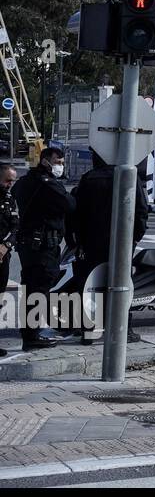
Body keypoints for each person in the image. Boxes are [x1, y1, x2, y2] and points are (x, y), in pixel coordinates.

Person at [71, 153, 148, 342]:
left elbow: (77, 212)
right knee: (121, 284)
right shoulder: (129, 175)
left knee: (91, 285)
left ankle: (89, 330)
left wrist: (79, 241)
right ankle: (123, 329)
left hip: (92, 240)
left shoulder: (88, 178)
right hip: (122, 241)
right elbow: (141, 211)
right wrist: (136, 237)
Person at [11, 147, 74, 350]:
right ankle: (32, 335)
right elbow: (69, 204)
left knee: (31, 287)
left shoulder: (24, 182)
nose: (60, 166)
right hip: (43, 246)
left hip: (28, 244)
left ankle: (30, 332)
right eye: (58, 161)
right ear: (46, 161)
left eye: (62, 162)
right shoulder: (47, 184)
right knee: (39, 289)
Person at [0, 165, 18, 355]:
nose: (10, 184)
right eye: (7, 180)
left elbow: (15, 227)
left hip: (3, 255)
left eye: (12, 181)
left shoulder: (9, 199)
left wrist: (6, 246)